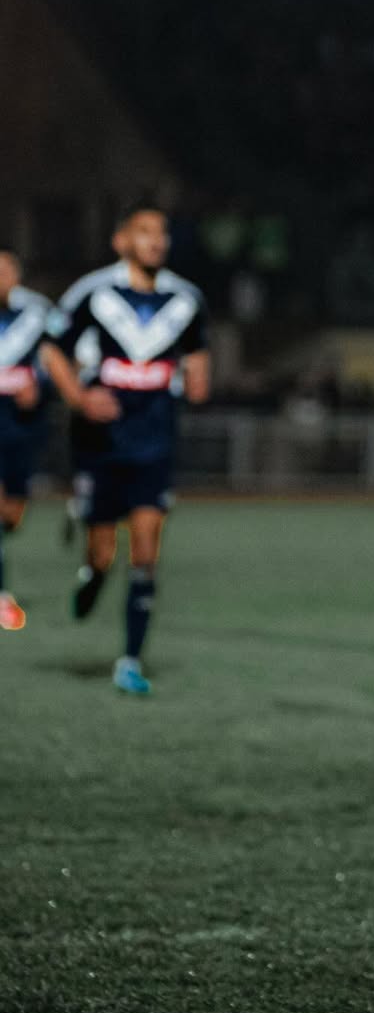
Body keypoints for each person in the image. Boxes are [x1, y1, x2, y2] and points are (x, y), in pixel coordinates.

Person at [41, 206, 211, 693]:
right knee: (102, 553)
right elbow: (52, 349)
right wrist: (78, 398)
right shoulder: (94, 292)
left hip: (154, 442)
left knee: (146, 551)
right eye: (144, 232)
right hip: (101, 443)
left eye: (162, 233)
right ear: (121, 241)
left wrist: (198, 379)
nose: (156, 241)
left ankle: (131, 661)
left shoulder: (185, 298)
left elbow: (197, 354)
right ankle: (92, 575)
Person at [0, 250, 54, 631]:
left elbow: (60, 360)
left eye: (6, 271)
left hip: (21, 427)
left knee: (12, 514)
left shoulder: (38, 313)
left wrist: (40, 385)